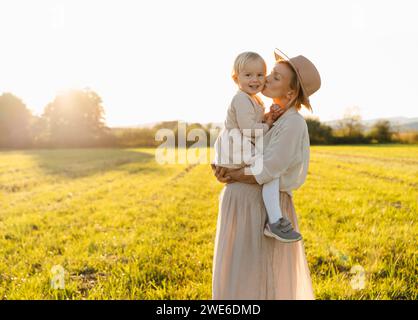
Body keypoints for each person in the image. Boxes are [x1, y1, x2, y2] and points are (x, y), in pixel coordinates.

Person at [211, 48, 321, 299]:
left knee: (260, 280)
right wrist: (223, 169)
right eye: (269, 73)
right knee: (240, 279)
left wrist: (232, 173)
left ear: (291, 92)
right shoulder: (267, 113)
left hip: (259, 208)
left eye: (275, 77)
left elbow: (267, 170)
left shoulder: (292, 123)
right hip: (242, 204)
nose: (266, 79)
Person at [213, 51, 302, 243]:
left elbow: (269, 166)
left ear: (291, 92)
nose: (261, 80)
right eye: (249, 75)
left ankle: (275, 220)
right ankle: (275, 220)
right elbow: (249, 129)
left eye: (263, 75)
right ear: (236, 78)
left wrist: (267, 118)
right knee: (266, 171)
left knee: (267, 171)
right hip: (238, 145)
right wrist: (268, 123)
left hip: (240, 146)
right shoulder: (243, 98)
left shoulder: (289, 120)